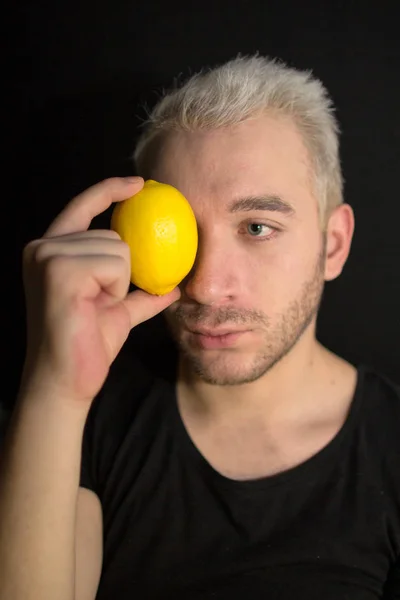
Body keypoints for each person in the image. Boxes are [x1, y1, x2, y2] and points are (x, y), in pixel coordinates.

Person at [0, 54, 399, 600]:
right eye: (180, 231)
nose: (206, 287)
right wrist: (54, 389)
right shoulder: (82, 427)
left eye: (258, 227)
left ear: (333, 245)